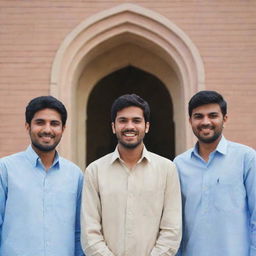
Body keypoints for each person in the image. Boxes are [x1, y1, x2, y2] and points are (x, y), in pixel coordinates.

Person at [81, 94, 182, 256]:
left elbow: (171, 230)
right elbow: (90, 232)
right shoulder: (95, 171)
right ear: (113, 127)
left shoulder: (167, 169)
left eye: (136, 121)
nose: (130, 126)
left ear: (146, 126)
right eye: (123, 121)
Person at [174, 90, 256, 256]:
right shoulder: (179, 164)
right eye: (198, 116)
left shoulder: (246, 158)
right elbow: (176, 222)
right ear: (190, 121)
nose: (206, 122)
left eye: (213, 115)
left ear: (224, 119)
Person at [0, 96, 84, 256]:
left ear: (63, 129)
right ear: (27, 126)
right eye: (40, 122)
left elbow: (78, 233)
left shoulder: (75, 175)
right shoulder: (5, 169)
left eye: (54, 123)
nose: (47, 129)